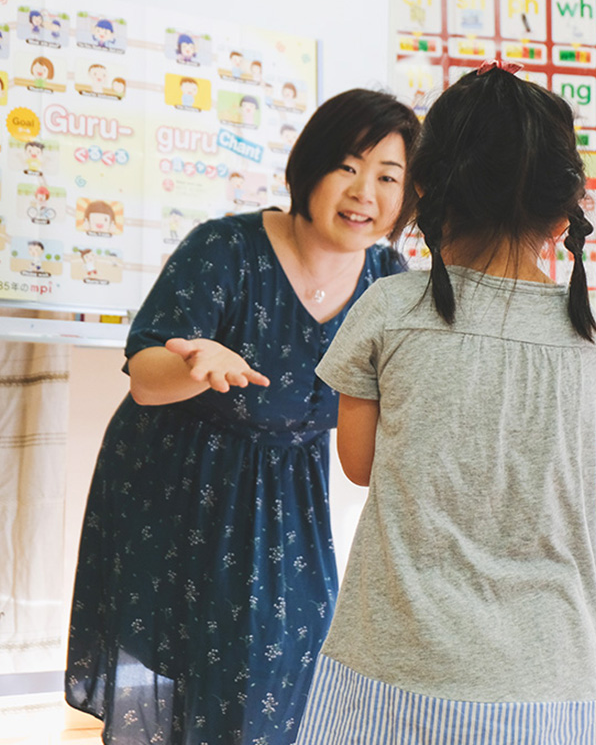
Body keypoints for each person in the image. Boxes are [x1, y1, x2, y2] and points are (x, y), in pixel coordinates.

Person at [65, 88, 420, 745]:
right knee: (187, 677)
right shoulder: (224, 248)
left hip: (289, 499)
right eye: (347, 165)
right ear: (310, 167)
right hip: (178, 484)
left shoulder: (388, 281)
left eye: (387, 177)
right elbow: (145, 376)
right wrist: (198, 365)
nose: (364, 191)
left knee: (288, 658)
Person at [294, 61, 596, 744]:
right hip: (557, 685)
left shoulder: (390, 309)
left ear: (423, 188)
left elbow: (359, 465)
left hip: (399, 674)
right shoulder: (590, 340)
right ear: (564, 210)